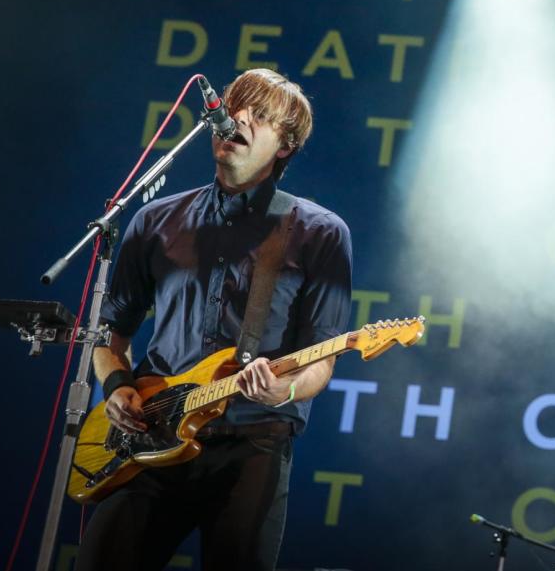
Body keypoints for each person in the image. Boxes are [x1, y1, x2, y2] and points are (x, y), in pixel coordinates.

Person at [77, 69, 353, 571]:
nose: (238, 117)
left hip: (253, 444)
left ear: (285, 145)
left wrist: (283, 390)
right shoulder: (155, 221)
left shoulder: (320, 233)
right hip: (151, 434)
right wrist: (117, 385)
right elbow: (110, 330)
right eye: (233, 105)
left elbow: (323, 358)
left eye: (260, 115)